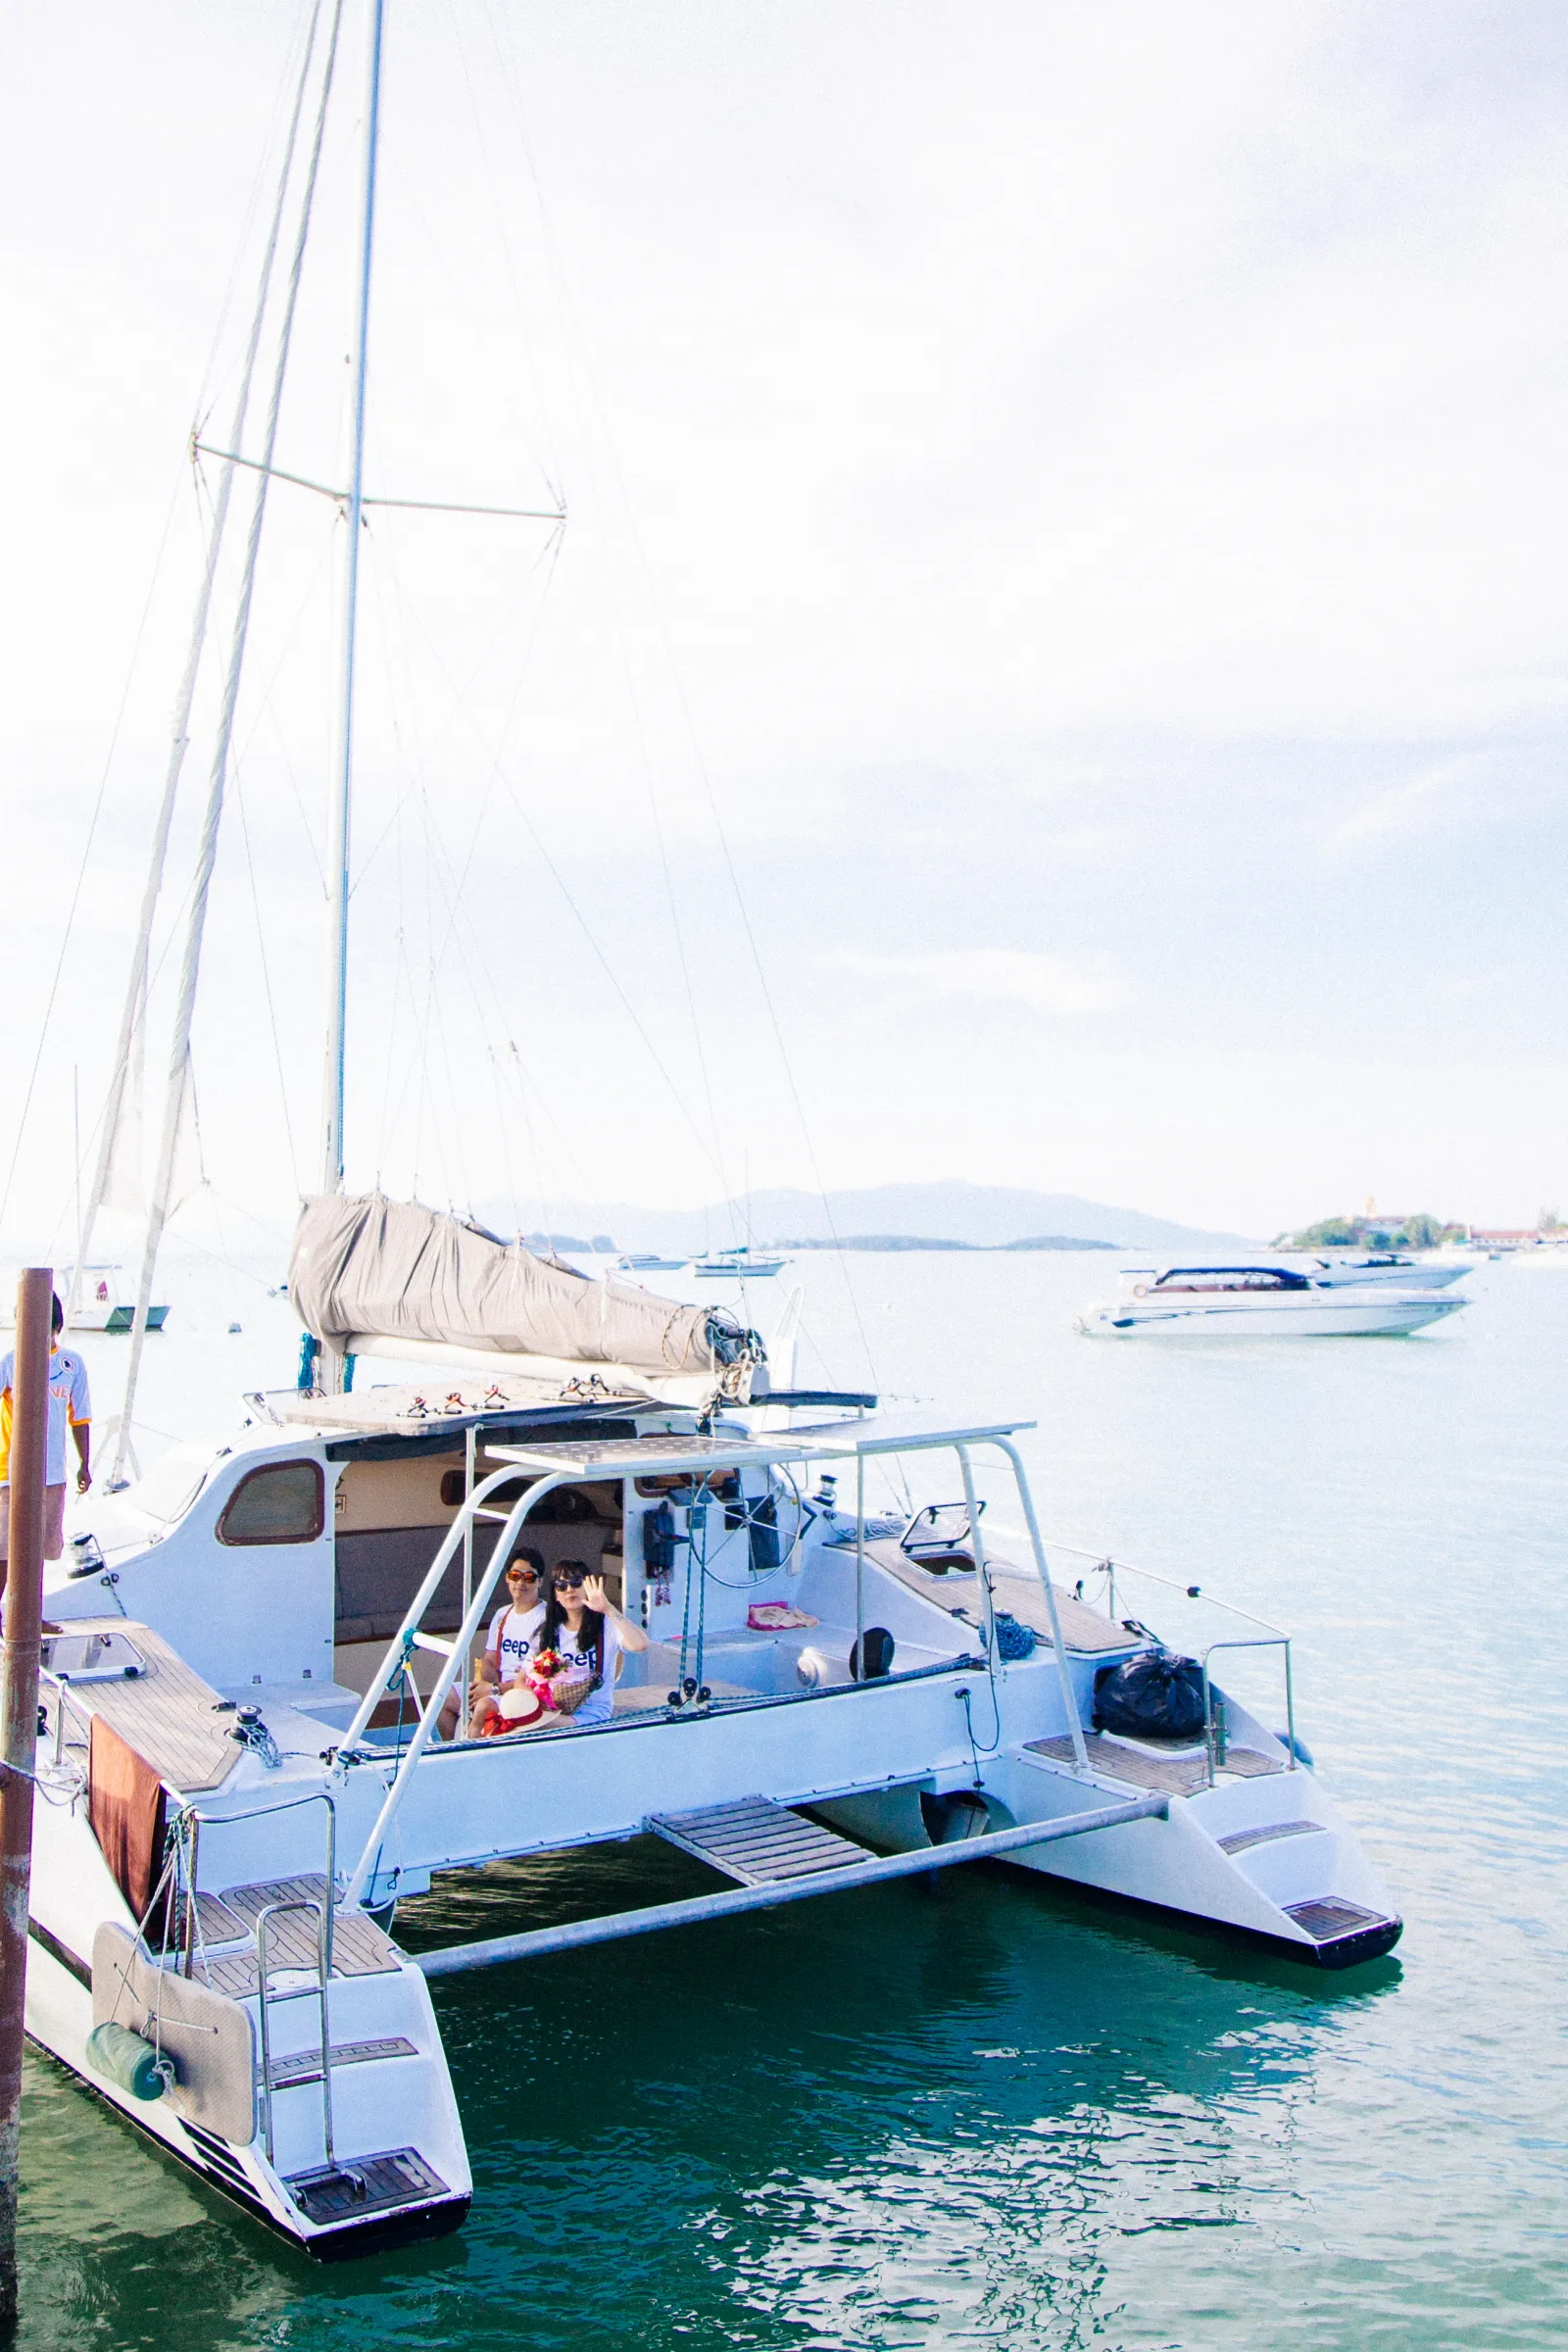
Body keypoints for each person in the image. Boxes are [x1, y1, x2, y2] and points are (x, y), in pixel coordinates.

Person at [0, 1292, 90, 1594]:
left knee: (37, 1549)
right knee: (4, 1551)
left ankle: (30, 1611)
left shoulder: (71, 1364)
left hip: (51, 1473)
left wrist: (84, 1464)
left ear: (57, 1327)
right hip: (9, 1473)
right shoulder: (9, 1362)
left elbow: (80, 1418)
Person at [533, 1557, 648, 1730]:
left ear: (587, 1587)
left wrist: (608, 1608)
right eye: (561, 1585)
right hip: (554, 1709)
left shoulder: (606, 1625)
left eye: (576, 1582)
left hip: (592, 1713)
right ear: (555, 1594)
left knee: (540, 1725)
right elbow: (524, 1678)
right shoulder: (548, 1631)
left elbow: (640, 1644)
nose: (569, 1589)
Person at [461, 1548, 547, 1739]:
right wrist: (482, 1687)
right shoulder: (502, 1614)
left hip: (524, 1692)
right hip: (498, 1686)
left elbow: (537, 1679)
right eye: (515, 1576)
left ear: (539, 1582)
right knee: (446, 1697)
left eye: (529, 1577)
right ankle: (449, 1747)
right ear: (507, 1578)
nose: (520, 1583)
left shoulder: (545, 1619)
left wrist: (492, 1690)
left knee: (483, 1707)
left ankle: (470, 1753)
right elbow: (490, 1660)